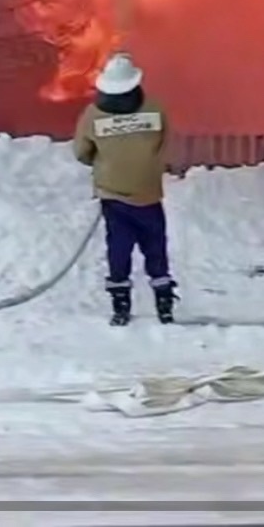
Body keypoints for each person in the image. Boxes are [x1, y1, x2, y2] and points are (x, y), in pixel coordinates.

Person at [72, 52, 176, 326]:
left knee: (119, 248)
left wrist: (106, 161)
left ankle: (120, 306)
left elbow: (81, 153)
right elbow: (164, 143)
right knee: (155, 247)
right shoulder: (154, 109)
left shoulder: (93, 116)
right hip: (149, 193)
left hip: (113, 195)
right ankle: (164, 302)